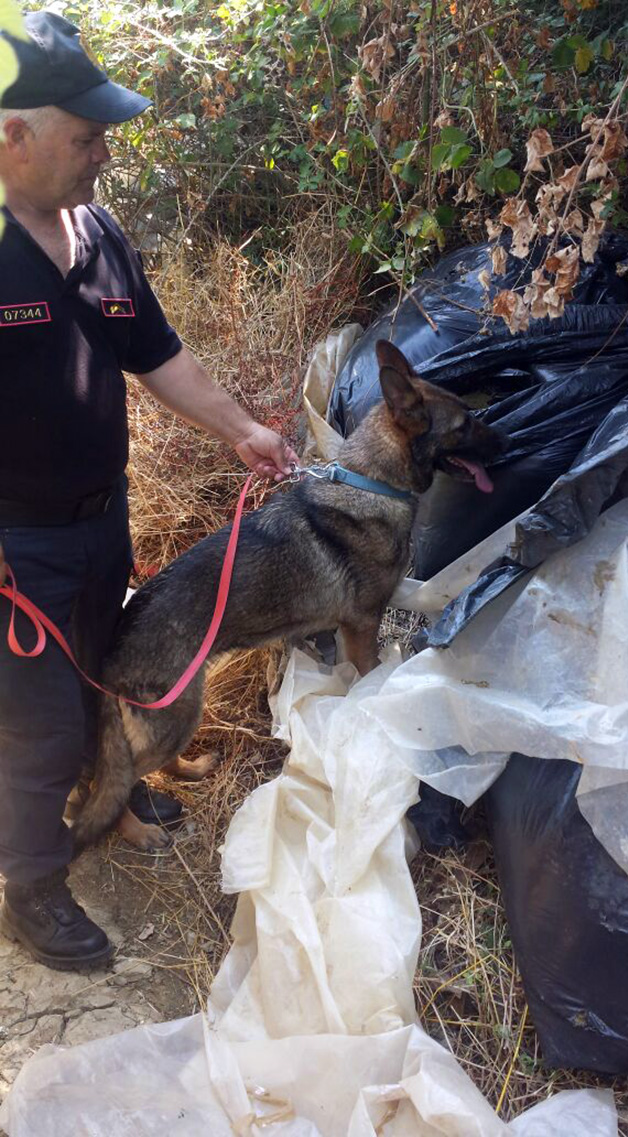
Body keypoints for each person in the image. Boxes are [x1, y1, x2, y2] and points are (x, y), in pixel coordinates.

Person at [0, 11, 298, 971]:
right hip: (17, 545)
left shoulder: (99, 234)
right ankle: (33, 887)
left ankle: (116, 795)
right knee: (35, 724)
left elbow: (156, 355)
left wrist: (245, 431)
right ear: (16, 136)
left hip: (100, 524)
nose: (100, 157)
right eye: (85, 138)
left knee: (103, 678)